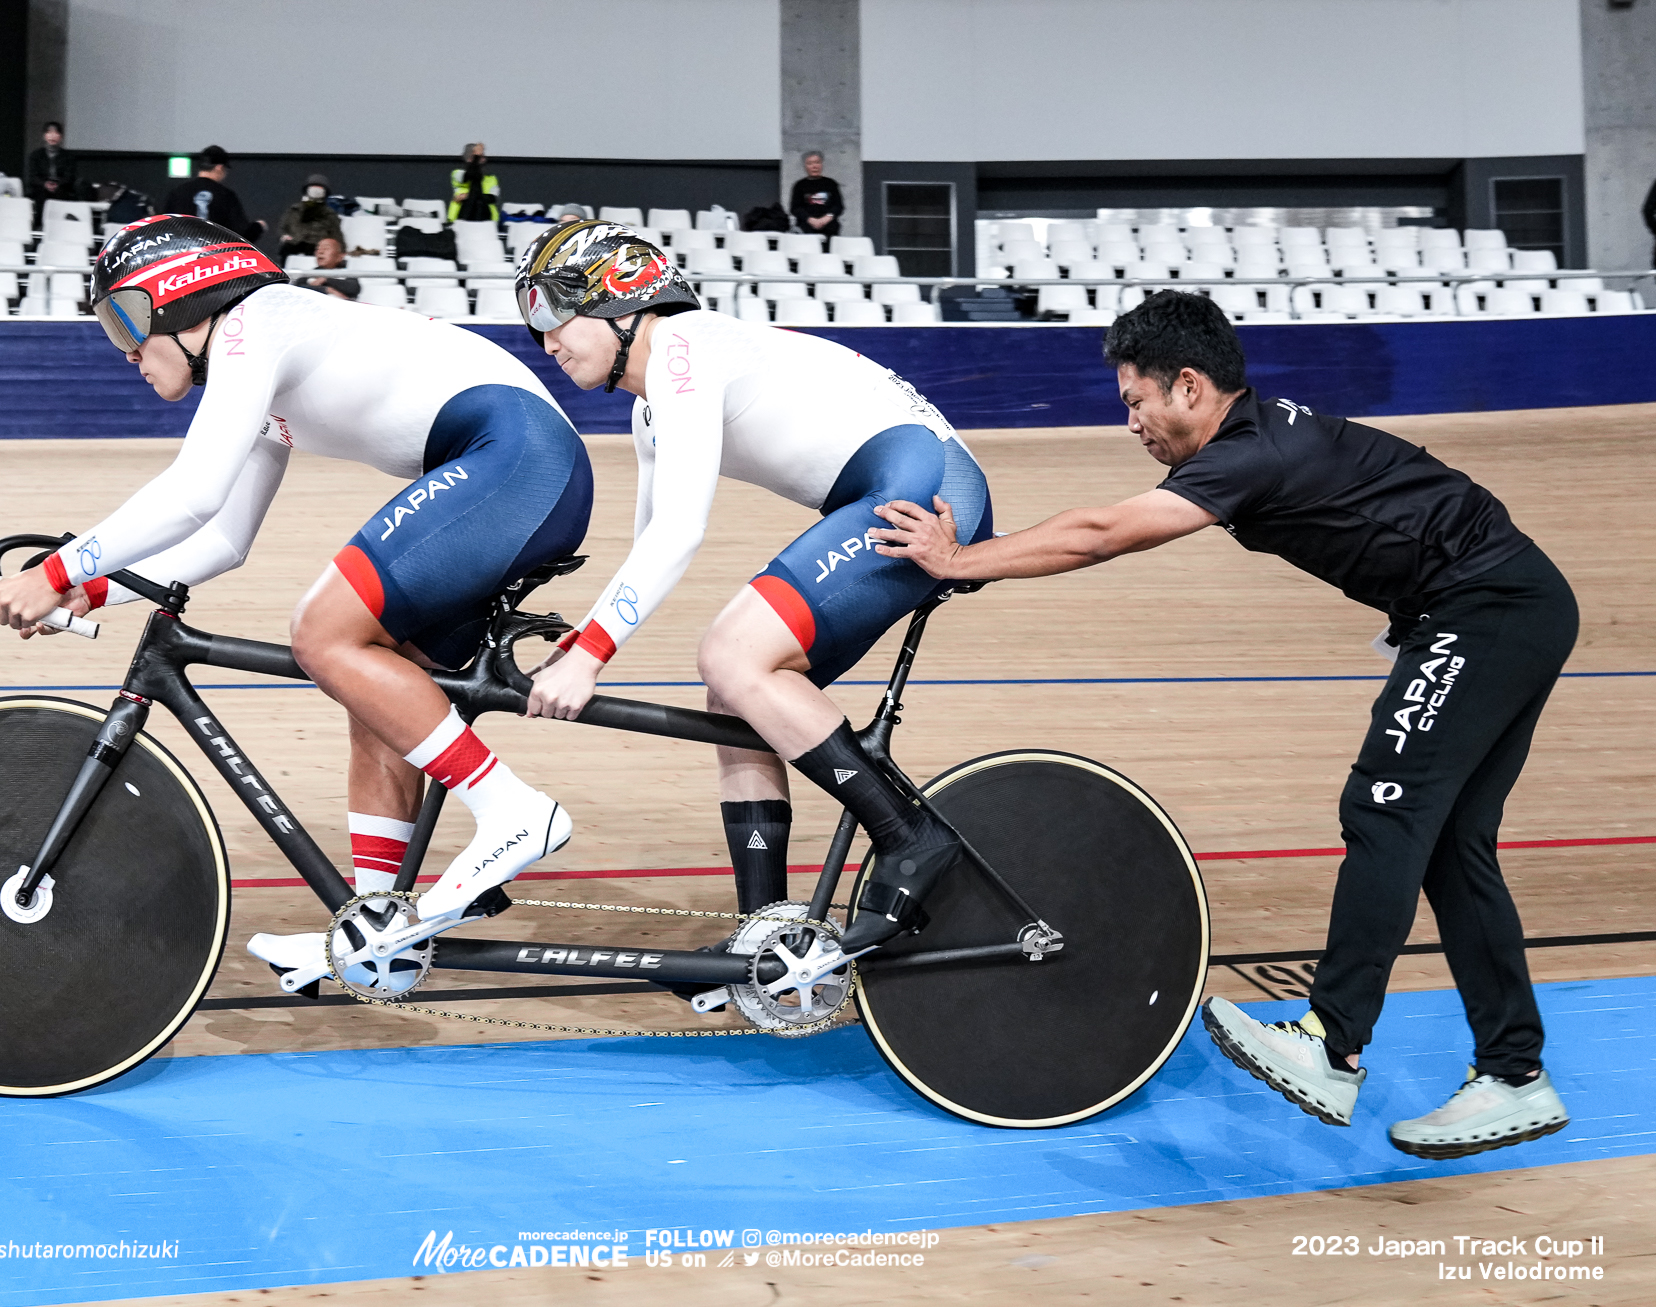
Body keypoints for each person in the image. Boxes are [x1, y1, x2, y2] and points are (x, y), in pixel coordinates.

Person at [867, 290, 1578, 1160]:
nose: (1129, 421)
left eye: (1135, 400)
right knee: (1449, 843)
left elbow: (1101, 533)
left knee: (1384, 810)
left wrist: (959, 560)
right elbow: (1095, 527)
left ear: (1191, 387)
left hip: (1487, 608)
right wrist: (977, 560)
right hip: (1505, 604)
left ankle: (1332, 1043)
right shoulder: (1254, 441)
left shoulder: (1252, 454)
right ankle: (1515, 1074)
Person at [0, 214, 593, 981]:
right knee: (373, 690)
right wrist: (96, 585)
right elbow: (223, 537)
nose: (127, 351)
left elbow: (193, 492)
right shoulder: (256, 369)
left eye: (126, 320)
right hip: (516, 470)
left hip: (518, 462)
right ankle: (381, 931)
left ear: (181, 295)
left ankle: (511, 808)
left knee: (321, 632)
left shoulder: (254, 325)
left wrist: (56, 571)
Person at [516, 219, 992, 945]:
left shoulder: (681, 347)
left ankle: (912, 836)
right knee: (735, 694)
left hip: (926, 487)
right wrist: (579, 640)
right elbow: (651, 541)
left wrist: (591, 656)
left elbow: (681, 530)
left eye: (552, 311)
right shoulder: (653, 406)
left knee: (732, 653)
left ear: (617, 298)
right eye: (531, 321)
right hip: (891, 485)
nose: (543, 338)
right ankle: (763, 935)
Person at [163, 146, 266, 245]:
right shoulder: (226, 195)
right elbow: (241, 236)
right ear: (219, 167)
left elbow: (163, 227)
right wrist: (258, 227)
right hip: (214, 257)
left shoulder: (178, 193)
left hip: (181, 255)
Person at [278, 173, 344, 260]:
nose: (316, 191)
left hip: (316, 246)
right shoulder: (295, 210)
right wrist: (284, 236)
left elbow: (337, 235)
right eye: (313, 188)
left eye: (319, 188)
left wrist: (341, 252)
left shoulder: (329, 214)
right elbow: (283, 226)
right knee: (286, 249)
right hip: (294, 244)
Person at [789, 151, 843, 238]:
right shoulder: (799, 185)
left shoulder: (831, 183)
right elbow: (795, 208)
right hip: (806, 224)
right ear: (805, 166)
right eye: (810, 163)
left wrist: (826, 219)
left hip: (829, 225)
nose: (814, 166)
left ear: (822, 164)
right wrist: (810, 220)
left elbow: (838, 206)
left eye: (817, 162)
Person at [25, 121, 78, 207]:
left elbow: (70, 176)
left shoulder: (68, 156)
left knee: (63, 194)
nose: (52, 136)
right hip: (41, 188)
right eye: (49, 132)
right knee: (40, 195)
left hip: (61, 188)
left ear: (61, 137)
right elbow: (32, 176)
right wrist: (45, 184)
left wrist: (58, 184)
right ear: (44, 136)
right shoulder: (36, 155)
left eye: (56, 133)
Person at [448, 143, 500, 224]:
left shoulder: (492, 179)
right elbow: (472, 175)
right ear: (469, 159)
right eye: (479, 156)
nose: (483, 159)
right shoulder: (457, 173)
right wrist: (476, 157)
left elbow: (492, 198)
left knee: (479, 202)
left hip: (486, 220)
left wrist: (468, 196)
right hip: (460, 219)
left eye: (482, 156)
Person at [295, 236, 358, 300]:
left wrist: (326, 280)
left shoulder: (346, 274)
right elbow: (298, 287)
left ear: (340, 256)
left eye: (326, 248)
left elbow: (353, 288)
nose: (320, 252)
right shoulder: (311, 274)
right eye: (318, 249)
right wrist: (327, 290)